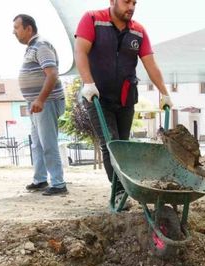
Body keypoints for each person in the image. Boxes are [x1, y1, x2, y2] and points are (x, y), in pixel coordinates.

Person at [74, 0, 172, 204]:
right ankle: (119, 192)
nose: (131, 7)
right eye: (127, 1)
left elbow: (150, 64)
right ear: (112, 1)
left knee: (123, 144)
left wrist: (164, 92)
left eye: (134, 3)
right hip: (97, 97)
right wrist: (88, 83)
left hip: (126, 97)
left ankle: (125, 187)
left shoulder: (138, 31)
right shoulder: (92, 19)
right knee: (111, 143)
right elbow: (80, 52)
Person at [13, 14, 67, 196]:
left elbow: (52, 74)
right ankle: (41, 179)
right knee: (37, 144)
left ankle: (59, 184)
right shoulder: (31, 47)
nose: (14, 31)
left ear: (28, 28)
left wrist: (41, 100)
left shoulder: (41, 45)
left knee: (48, 143)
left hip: (47, 102)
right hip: (37, 104)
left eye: (17, 27)